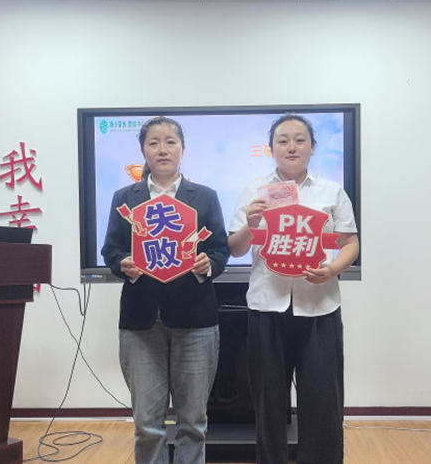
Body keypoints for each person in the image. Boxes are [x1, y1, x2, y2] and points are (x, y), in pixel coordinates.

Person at [228, 113, 360, 464]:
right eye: (282, 140)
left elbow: (350, 243)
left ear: (312, 147)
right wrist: (251, 223)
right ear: (270, 148)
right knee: (269, 404)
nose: (291, 147)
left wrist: (332, 269)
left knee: (322, 401)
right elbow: (236, 249)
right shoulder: (254, 191)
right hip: (266, 308)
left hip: (319, 307)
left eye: (300, 140)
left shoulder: (331, 191)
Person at [101, 116, 229, 464]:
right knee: (147, 425)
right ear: (143, 150)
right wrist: (122, 263)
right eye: (153, 142)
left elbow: (220, 249)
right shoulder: (125, 198)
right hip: (141, 323)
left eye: (170, 141)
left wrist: (208, 263)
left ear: (182, 149)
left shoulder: (204, 197)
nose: (162, 149)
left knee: (193, 423)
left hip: (196, 321)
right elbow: (111, 250)